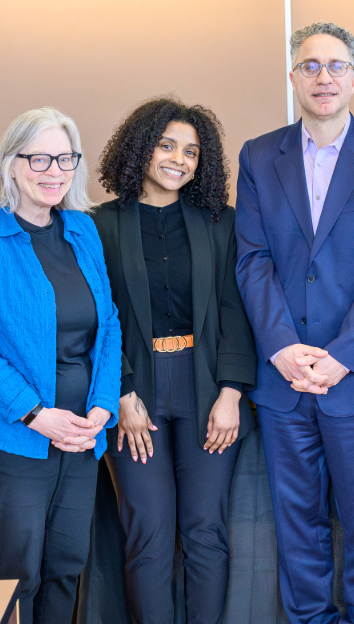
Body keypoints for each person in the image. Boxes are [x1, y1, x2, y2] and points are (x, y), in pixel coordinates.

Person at [235, 22, 354, 624]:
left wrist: (340, 356)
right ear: (292, 76)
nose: (323, 77)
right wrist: (284, 349)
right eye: (310, 65)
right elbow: (252, 260)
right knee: (298, 532)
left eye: (335, 65)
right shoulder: (259, 156)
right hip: (284, 382)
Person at [0, 107, 122, 624]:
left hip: (82, 430)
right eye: (39, 158)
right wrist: (36, 414)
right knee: (20, 569)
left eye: (65, 158)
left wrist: (102, 410)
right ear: (12, 163)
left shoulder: (82, 230)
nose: (54, 171)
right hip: (11, 432)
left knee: (68, 562)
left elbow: (108, 326)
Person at [92, 98, 257, 624]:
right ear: (140, 149)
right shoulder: (96, 226)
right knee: (149, 534)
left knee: (206, 531)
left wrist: (231, 393)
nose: (179, 160)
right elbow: (97, 317)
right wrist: (120, 393)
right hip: (134, 391)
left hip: (208, 388)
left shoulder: (220, 223)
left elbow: (236, 309)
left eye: (191, 151)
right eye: (167, 146)